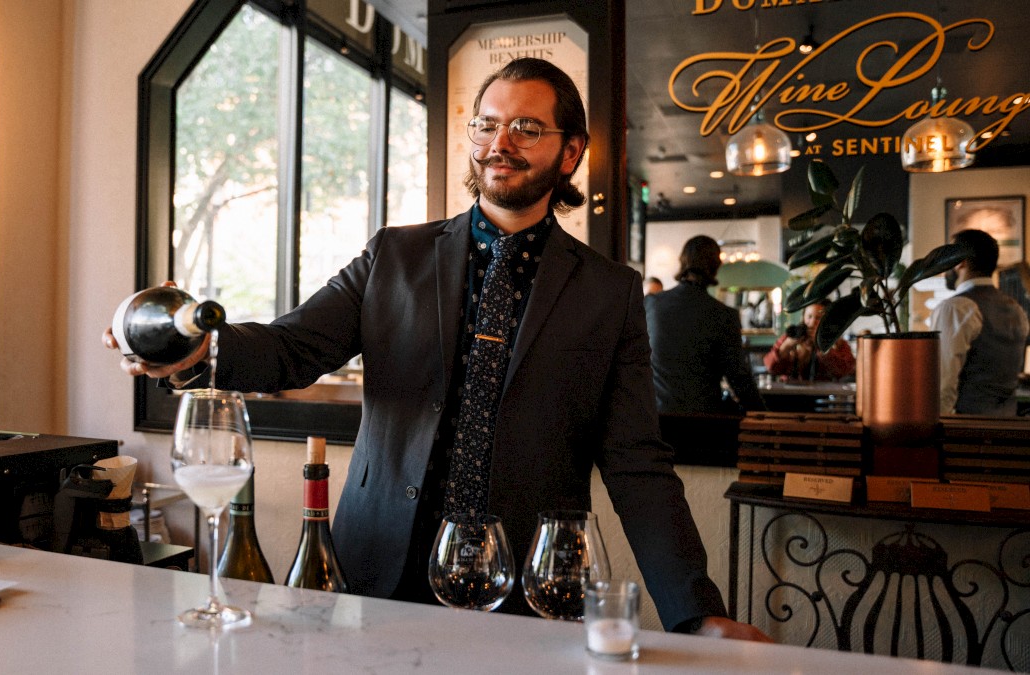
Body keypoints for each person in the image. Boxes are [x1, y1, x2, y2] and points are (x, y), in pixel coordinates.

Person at [105, 58, 768, 641]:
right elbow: (289, 348)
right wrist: (196, 351)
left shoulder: (611, 293)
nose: (498, 143)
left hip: (528, 592)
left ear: (570, 153)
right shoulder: (394, 255)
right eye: (486, 124)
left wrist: (694, 613)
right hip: (378, 571)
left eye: (525, 128)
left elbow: (637, 466)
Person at [644, 236, 765, 414]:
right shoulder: (725, 316)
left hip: (655, 421)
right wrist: (764, 414)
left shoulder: (650, 304)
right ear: (715, 267)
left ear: (682, 262)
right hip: (704, 425)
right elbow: (739, 380)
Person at [930, 228, 1029, 416]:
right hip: (1009, 426)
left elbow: (942, 383)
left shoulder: (956, 307)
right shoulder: (1016, 309)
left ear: (960, 262)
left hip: (968, 431)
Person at [764, 300, 856, 381]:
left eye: (818, 318)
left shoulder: (837, 342)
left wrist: (822, 347)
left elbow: (846, 370)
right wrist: (787, 345)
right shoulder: (791, 336)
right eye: (809, 316)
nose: (812, 323)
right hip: (792, 394)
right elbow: (770, 367)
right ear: (803, 317)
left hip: (825, 394)